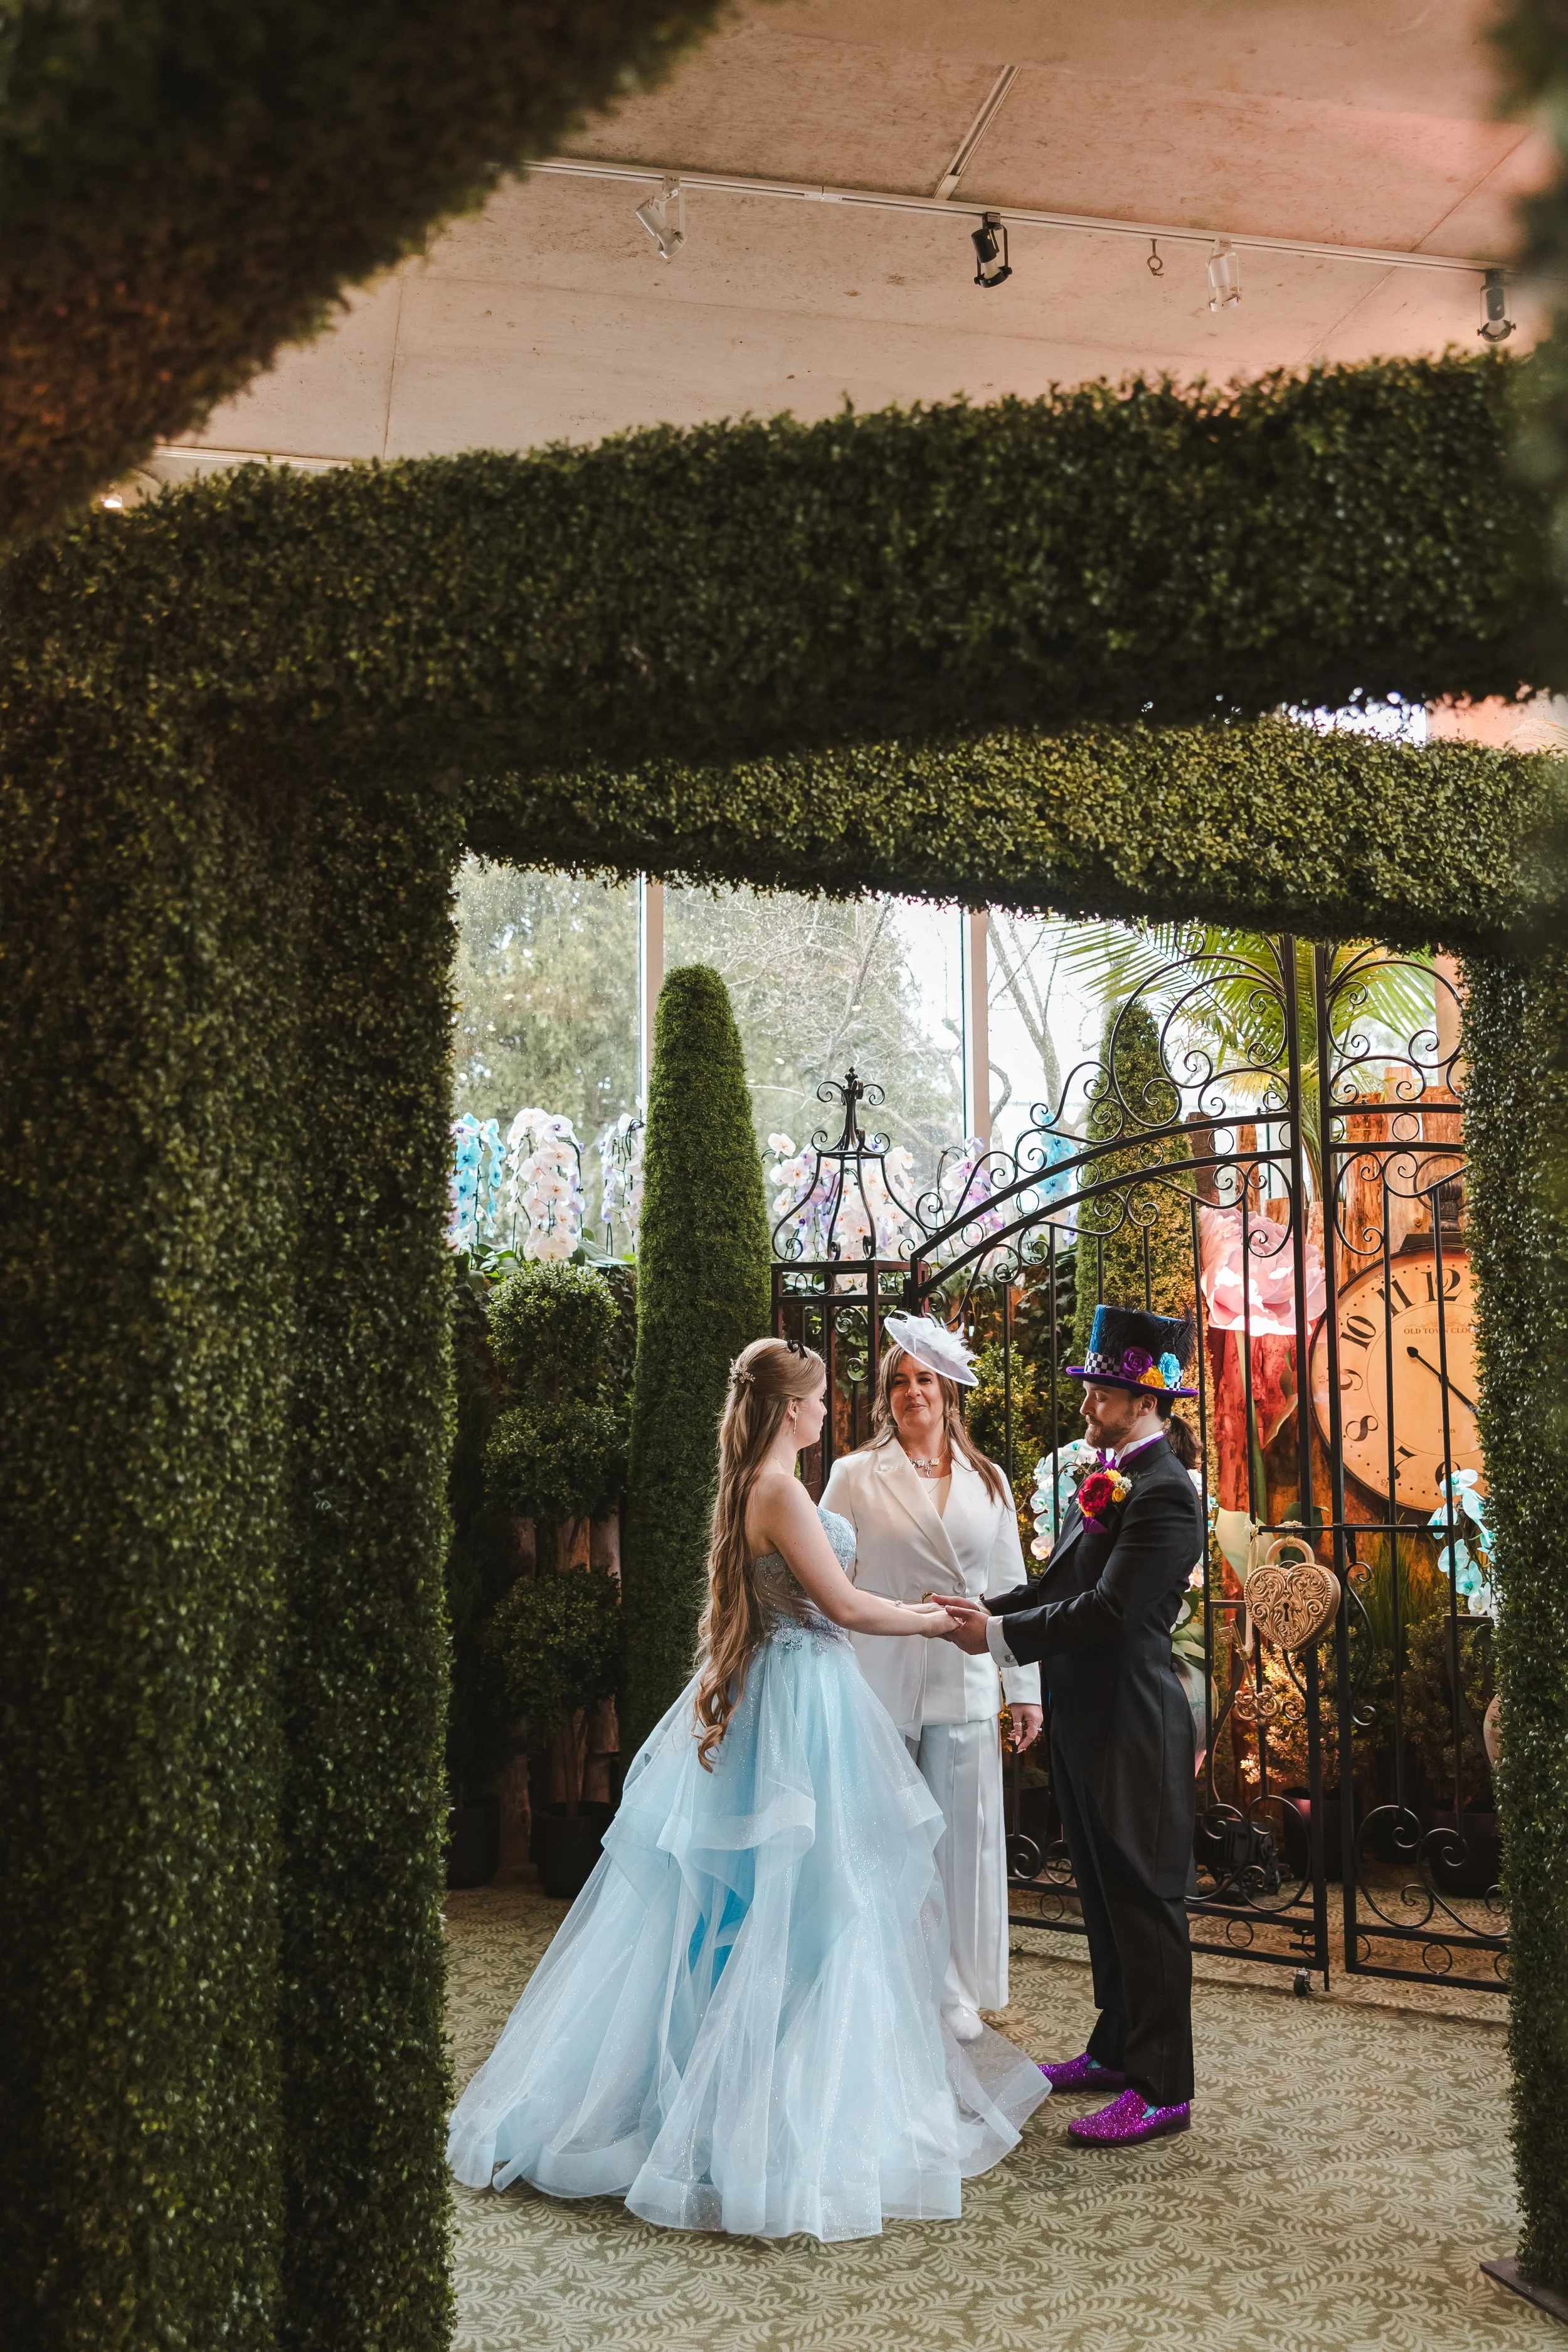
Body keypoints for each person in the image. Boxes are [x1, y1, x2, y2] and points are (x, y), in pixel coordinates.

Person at [448, 1336, 1049, 2239]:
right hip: (802, 1704)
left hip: (796, 1691)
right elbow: (845, 1606)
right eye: (814, 1398)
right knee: (805, 1906)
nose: (825, 1409)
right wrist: (940, 1622)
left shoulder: (763, 1486)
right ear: (787, 1409)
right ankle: (757, 2116)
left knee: (787, 1907)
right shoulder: (777, 1488)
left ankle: (756, 2089)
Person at [941, 1304, 1204, 2149]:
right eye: (1092, 1385)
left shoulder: (1164, 1493)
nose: (1088, 1400)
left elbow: (1112, 1611)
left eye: (1102, 1388)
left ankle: (1164, 2086)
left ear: (1143, 1399)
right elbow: (1060, 1582)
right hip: (1089, 1721)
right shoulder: (1113, 1476)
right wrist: (980, 1606)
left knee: (1144, 1898)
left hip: (1134, 1720)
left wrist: (996, 1637)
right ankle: (1116, 2046)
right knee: (1100, 1891)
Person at [821, 1311, 1042, 2045]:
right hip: (878, 1676)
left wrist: (1024, 1690)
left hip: (964, 1678)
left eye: (924, 1379)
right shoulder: (853, 1474)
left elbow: (1012, 1589)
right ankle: (877, 1978)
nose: (912, 1390)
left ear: (949, 1391)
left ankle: (952, 1983)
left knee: (962, 1840)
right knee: (881, 1838)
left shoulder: (989, 1478)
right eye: (899, 1381)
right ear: (884, 1396)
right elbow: (825, 1575)